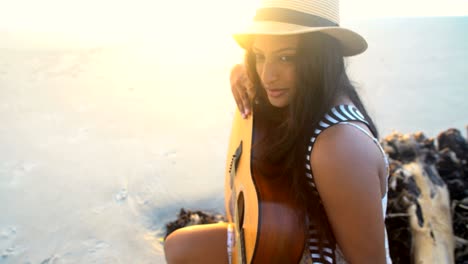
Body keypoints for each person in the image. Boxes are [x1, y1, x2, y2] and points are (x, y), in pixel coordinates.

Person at [164, 0, 392, 263]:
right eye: (260, 56)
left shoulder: (339, 148)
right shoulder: (305, 99)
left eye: (285, 57)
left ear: (319, 58)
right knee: (180, 247)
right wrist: (242, 71)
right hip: (284, 242)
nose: (266, 75)